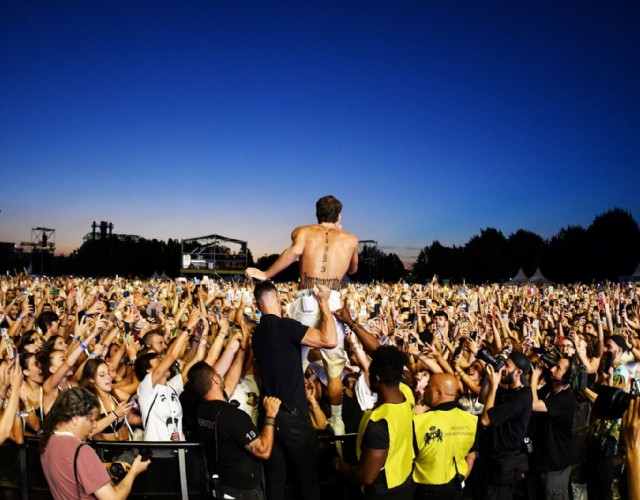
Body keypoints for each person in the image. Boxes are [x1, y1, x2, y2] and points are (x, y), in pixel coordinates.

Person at [246, 195, 359, 436]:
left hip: (307, 298)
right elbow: (353, 269)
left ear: (317, 215)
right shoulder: (351, 240)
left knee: (292, 362)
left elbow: (295, 252)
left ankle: (283, 416)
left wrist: (266, 274)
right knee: (334, 369)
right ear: (339, 216)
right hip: (333, 298)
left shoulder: (304, 231)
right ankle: (337, 422)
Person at [251, 280, 337, 500]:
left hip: (270, 415)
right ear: (278, 298)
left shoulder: (257, 333)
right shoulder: (285, 326)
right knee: (308, 480)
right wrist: (324, 303)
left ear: (258, 305)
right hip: (292, 417)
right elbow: (329, 340)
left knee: (275, 481)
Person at [332, 346, 415, 500]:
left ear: (376, 379)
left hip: (382, 493)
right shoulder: (407, 396)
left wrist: (339, 465)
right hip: (406, 484)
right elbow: (388, 359)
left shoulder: (379, 422)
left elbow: (366, 476)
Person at [189, 361, 281, 500]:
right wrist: (270, 414)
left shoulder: (202, 408)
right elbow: (263, 451)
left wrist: (241, 352)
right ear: (215, 379)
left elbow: (227, 387)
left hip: (222, 485)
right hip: (243, 492)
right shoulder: (233, 416)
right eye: (218, 375)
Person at [40, 387, 150, 499]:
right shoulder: (81, 451)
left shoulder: (48, 442)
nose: (94, 425)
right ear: (76, 418)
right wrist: (133, 472)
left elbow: (72, 470)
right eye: (92, 420)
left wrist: (106, 466)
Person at [476, 351, 533, 500]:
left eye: (507, 366)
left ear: (518, 372)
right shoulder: (507, 389)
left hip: (505, 462)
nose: (503, 368)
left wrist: (494, 386)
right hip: (491, 458)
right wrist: (490, 379)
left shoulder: (522, 397)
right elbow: (483, 400)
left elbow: (485, 420)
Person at [413, 372, 478, 500]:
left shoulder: (418, 422)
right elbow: (471, 456)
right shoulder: (471, 420)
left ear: (438, 393)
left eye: (428, 387)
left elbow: (408, 461)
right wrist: (462, 477)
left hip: (424, 489)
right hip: (456, 487)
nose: (425, 390)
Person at [530, 356, 578, 500]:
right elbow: (533, 396)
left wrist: (534, 377)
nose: (552, 369)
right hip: (543, 459)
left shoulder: (567, 399)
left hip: (555, 464)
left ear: (567, 377)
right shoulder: (550, 389)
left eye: (558, 368)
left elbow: (534, 404)